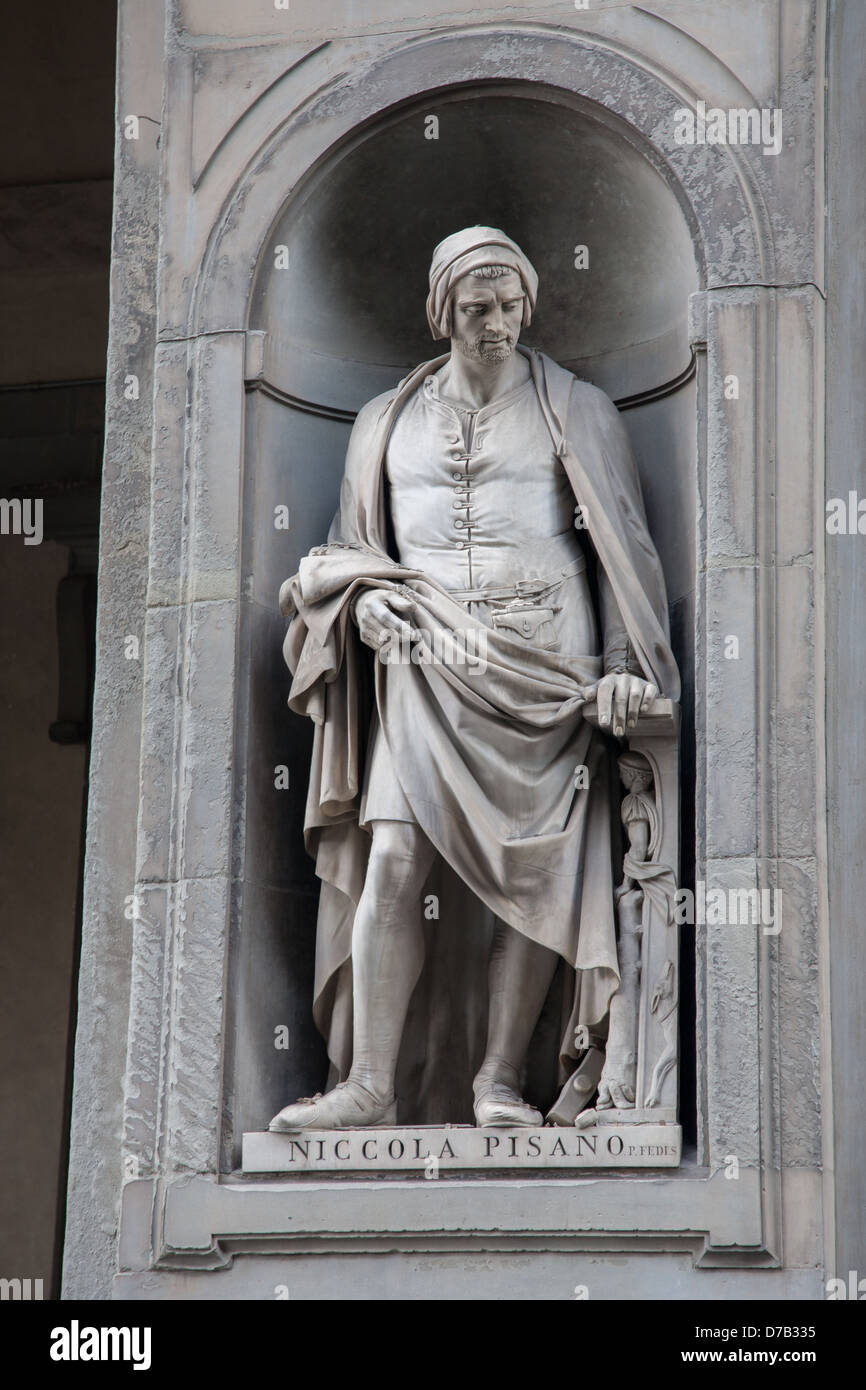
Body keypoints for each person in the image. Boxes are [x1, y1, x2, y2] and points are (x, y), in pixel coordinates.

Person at [270, 226, 678, 1131]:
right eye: (477, 308)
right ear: (440, 312)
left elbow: (622, 551)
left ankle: (499, 1079)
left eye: (511, 307)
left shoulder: (577, 409)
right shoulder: (383, 419)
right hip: (420, 660)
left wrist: (621, 667)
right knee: (392, 854)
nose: (498, 324)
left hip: (545, 670)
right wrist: (360, 604)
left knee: (537, 876)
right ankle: (369, 1083)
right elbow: (350, 550)